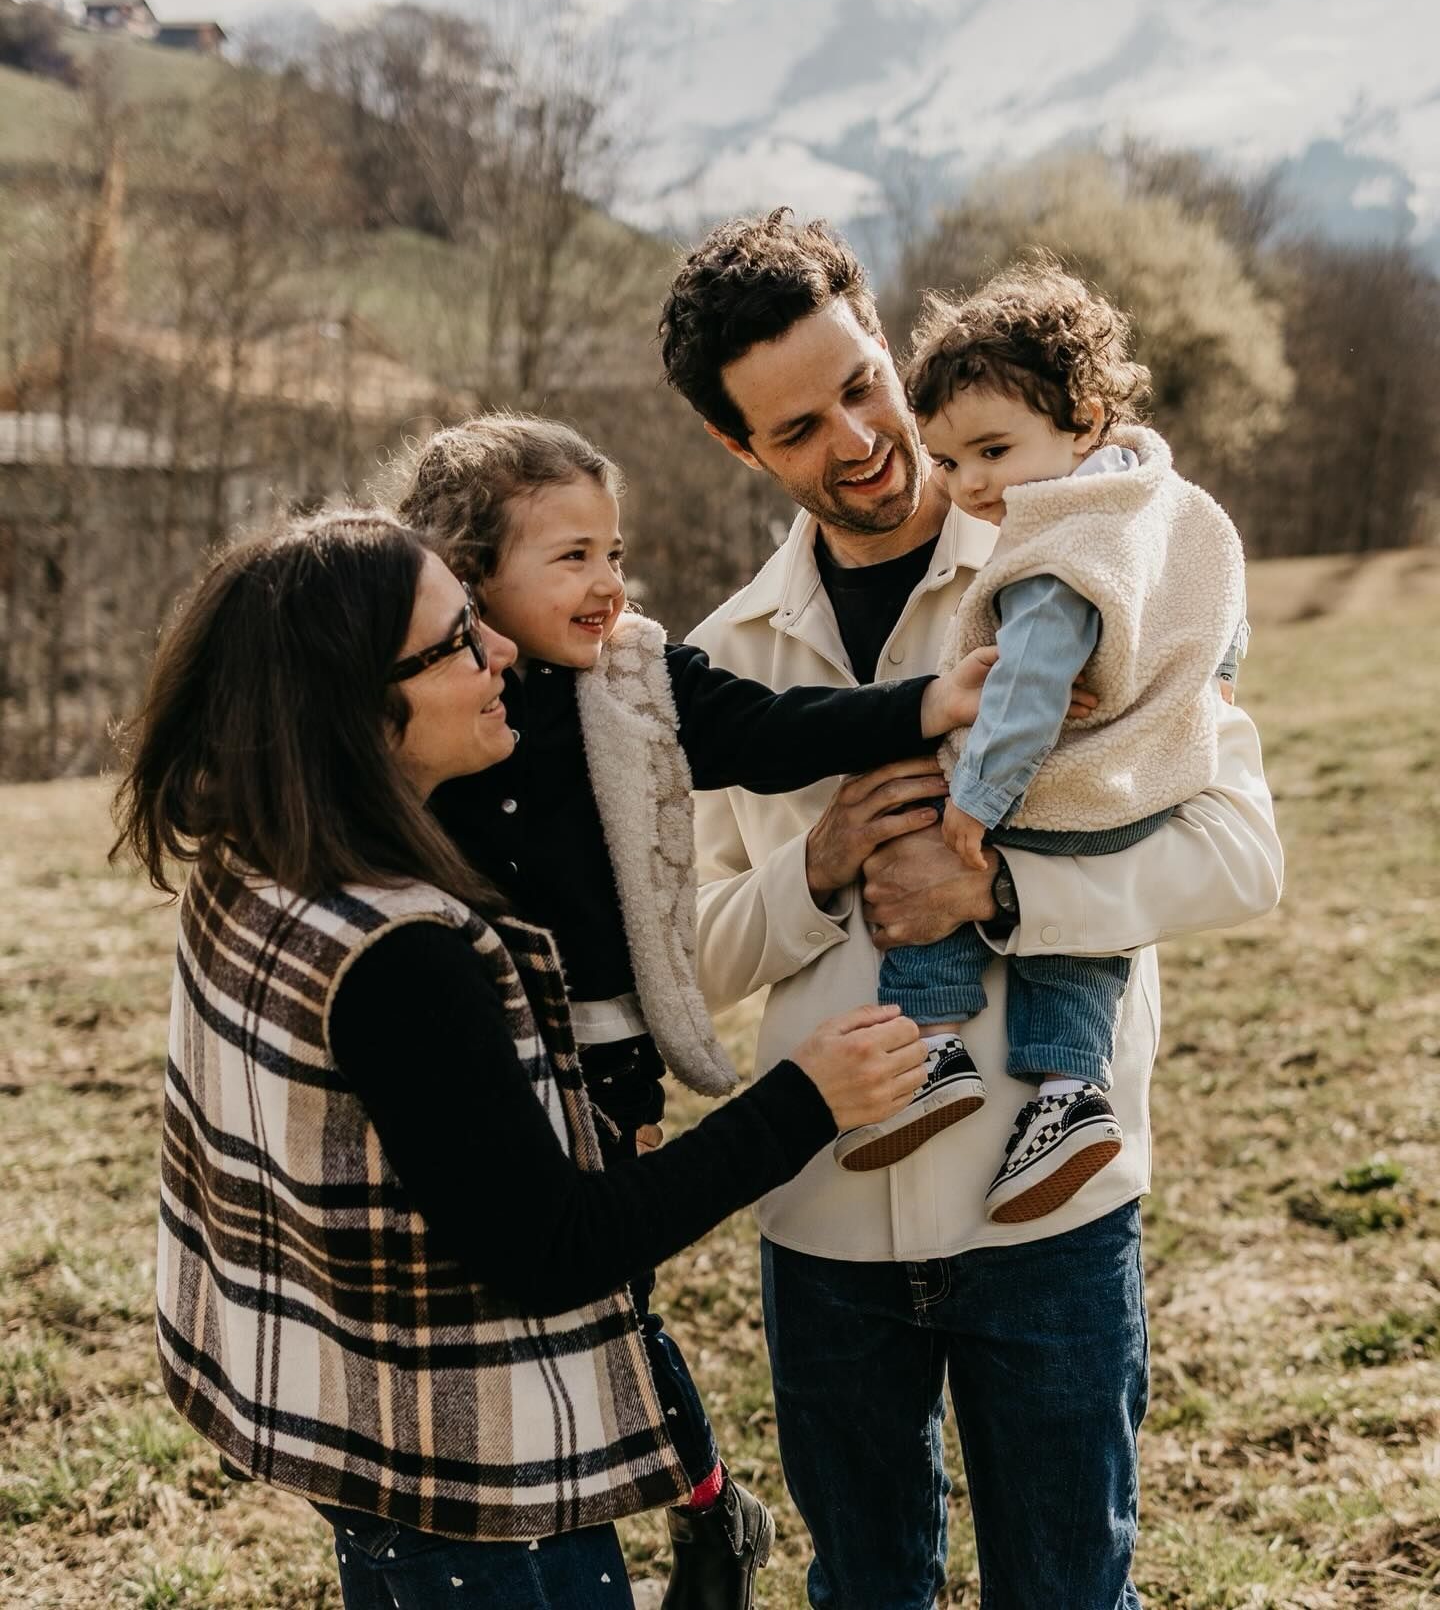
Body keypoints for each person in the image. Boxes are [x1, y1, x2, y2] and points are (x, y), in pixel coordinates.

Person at [109, 506, 930, 1610]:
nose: (502, 649)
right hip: (469, 1489)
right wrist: (806, 1100)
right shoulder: (397, 954)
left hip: (346, 1424)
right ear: (357, 706)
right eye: (458, 641)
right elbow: (552, 1248)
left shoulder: (257, 860)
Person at [659, 210, 1283, 1609]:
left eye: (862, 384)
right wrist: (814, 868)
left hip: (1051, 1216)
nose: (858, 440)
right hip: (824, 1215)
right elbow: (683, 961)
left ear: (889, 340)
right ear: (738, 447)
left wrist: (1001, 888)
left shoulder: (1094, 553)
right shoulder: (721, 661)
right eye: (799, 427)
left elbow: (1242, 855)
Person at [392, 414, 1045, 1608]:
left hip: (606, 1056)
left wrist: (926, 705)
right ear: (468, 574)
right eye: (572, 557)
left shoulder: (633, 681)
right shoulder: (429, 712)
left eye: (615, 552)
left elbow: (769, 730)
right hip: (476, 1054)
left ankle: (699, 1502)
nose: (609, 582)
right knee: (534, 1289)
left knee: (614, 1296)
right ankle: (642, 1496)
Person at [840, 262, 1249, 1231]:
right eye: (949, 462)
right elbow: (1221, 599)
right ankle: (1070, 1096)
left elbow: (1025, 686)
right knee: (1083, 942)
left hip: (1057, 783)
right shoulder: (1164, 504)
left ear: (1085, 419)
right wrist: (1219, 678)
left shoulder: (1058, 548)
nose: (971, 484)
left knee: (923, 845)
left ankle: (931, 1045)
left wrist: (975, 798)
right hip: (1139, 785)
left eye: (993, 450)